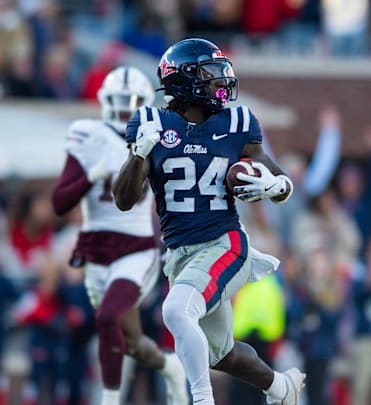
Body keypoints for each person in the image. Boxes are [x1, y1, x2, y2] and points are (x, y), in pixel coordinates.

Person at [111, 38, 306, 405]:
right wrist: (139, 154)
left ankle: (201, 401)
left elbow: (282, 183)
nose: (221, 81)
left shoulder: (238, 123)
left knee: (175, 310)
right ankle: (282, 388)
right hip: (180, 254)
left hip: (225, 243)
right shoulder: (151, 122)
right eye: (209, 73)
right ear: (182, 79)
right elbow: (124, 199)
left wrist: (275, 184)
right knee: (221, 353)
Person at [50, 66, 188, 405]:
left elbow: (175, 197)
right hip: (97, 252)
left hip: (137, 249)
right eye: (119, 102)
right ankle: (170, 366)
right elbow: (59, 202)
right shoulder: (87, 134)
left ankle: (108, 402)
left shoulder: (157, 138)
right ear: (104, 102)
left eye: (131, 104)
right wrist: (89, 177)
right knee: (132, 341)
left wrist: (176, 242)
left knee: (107, 316)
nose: (125, 111)